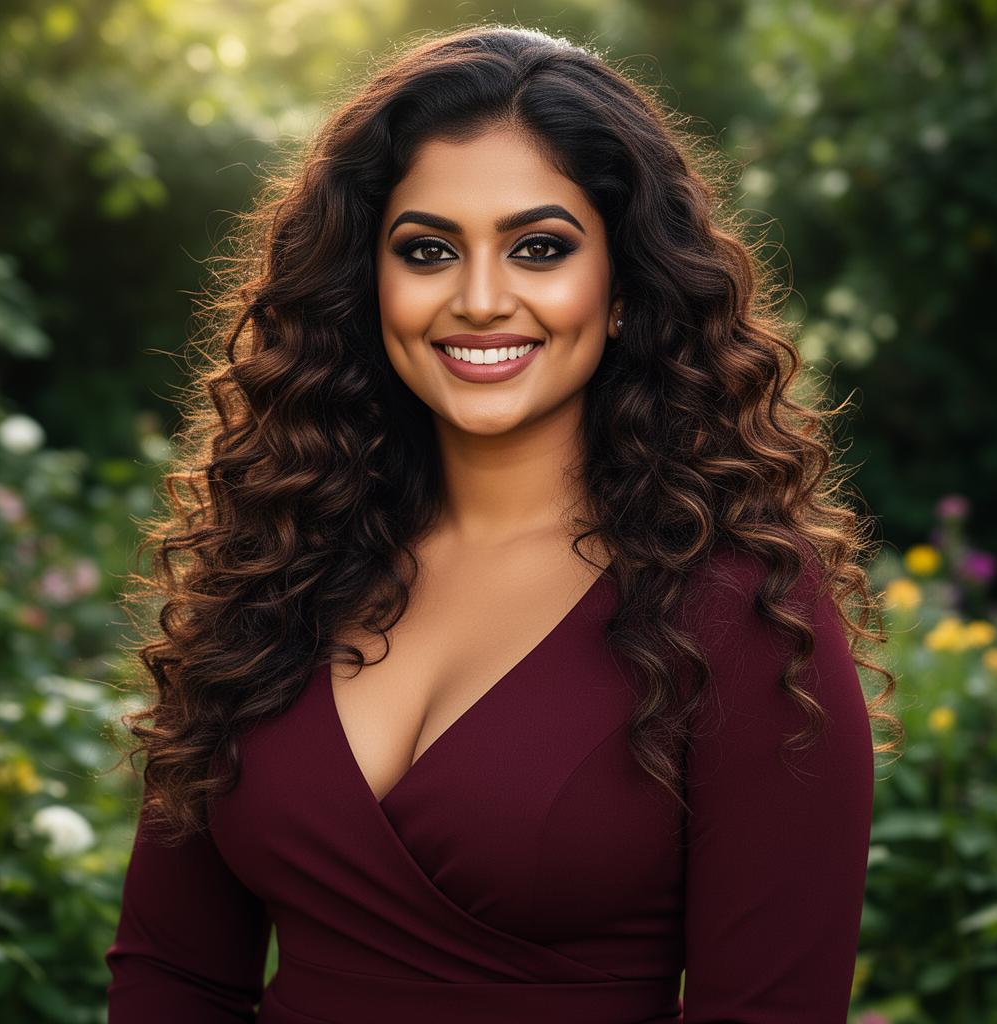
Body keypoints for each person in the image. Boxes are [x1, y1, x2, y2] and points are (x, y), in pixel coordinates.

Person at [104, 24, 897, 1023]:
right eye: (428, 250)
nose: (480, 300)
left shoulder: (744, 616)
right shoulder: (275, 569)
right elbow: (173, 976)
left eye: (539, 248)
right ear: (368, 283)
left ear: (620, 289)